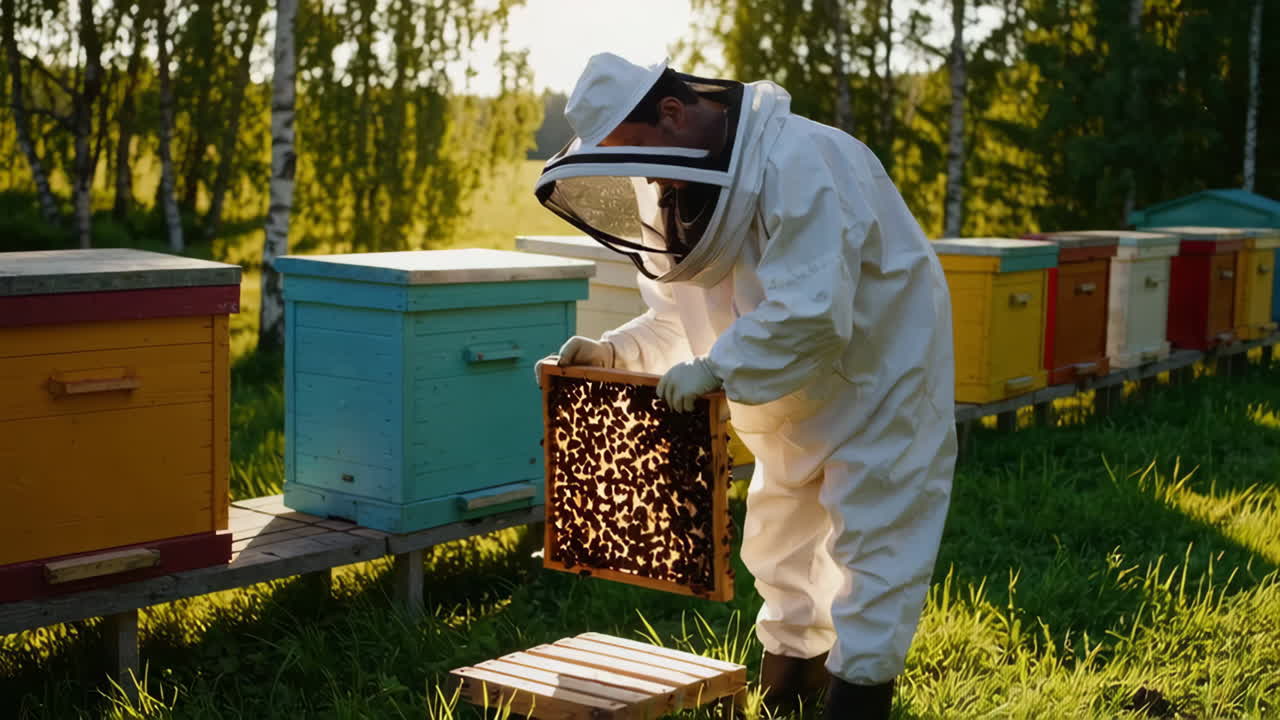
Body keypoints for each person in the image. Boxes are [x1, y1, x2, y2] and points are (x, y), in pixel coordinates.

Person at [534, 53, 956, 720]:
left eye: (635, 151)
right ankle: (791, 678)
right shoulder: (675, 182)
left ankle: (861, 695)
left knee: (875, 544)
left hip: (878, 381)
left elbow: (814, 312)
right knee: (778, 539)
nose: (641, 175)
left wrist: (721, 370)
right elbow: (683, 312)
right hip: (786, 397)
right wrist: (616, 353)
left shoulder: (805, 161)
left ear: (670, 113)